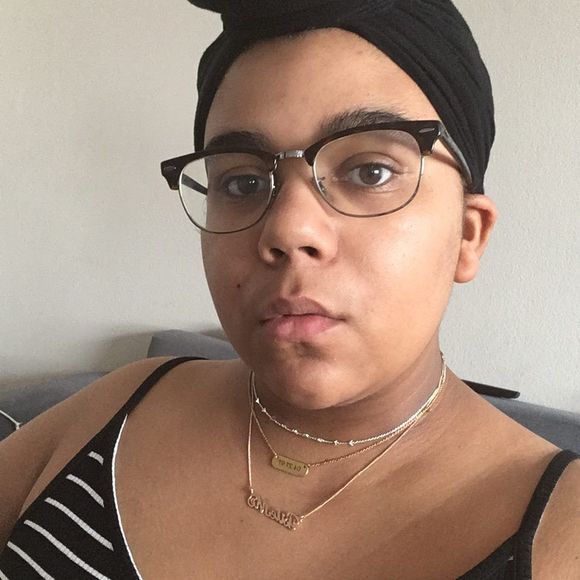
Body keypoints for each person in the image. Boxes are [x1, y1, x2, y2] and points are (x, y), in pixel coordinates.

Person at [1, 0, 579, 578]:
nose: (287, 229)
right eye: (244, 182)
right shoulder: (117, 408)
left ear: (468, 235)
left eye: (371, 172)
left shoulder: (561, 528)